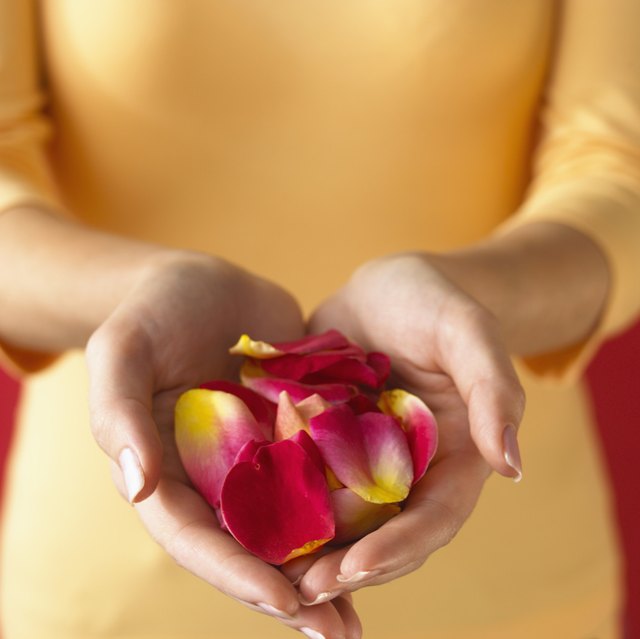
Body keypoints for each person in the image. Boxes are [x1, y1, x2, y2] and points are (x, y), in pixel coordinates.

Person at [1, 1, 639, 638]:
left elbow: (620, 168)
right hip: (101, 586)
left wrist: (469, 303)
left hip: (510, 584)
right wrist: (134, 294)